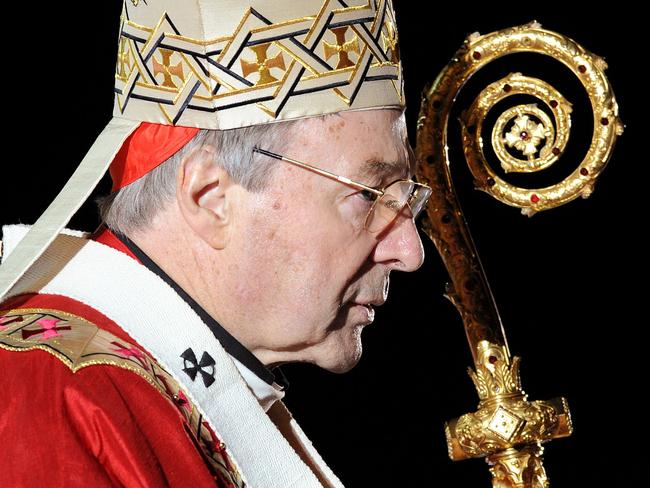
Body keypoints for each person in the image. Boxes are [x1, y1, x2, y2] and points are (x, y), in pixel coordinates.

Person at [0, 0, 431, 486]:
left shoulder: (170, 384)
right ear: (210, 197)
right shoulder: (57, 398)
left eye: (407, 199)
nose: (410, 252)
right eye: (369, 196)